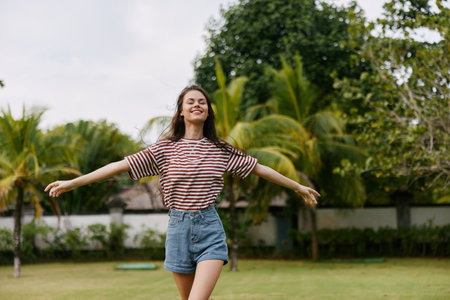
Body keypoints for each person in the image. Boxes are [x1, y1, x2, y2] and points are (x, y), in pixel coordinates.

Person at [45, 85, 320, 300]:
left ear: (208, 112)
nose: (197, 105)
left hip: (210, 228)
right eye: (191, 101)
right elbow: (120, 166)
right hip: (177, 228)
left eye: (202, 102)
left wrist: (297, 186)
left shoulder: (221, 150)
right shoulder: (164, 149)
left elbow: (259, 168)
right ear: (181, 112)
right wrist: (73, 183)